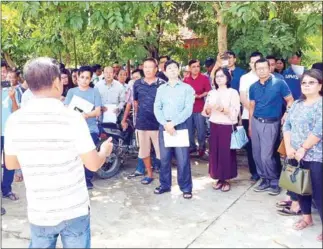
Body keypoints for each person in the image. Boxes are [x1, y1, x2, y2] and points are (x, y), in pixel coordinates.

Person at [4, 57, 113, 248]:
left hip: (40, 210)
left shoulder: (15, 120)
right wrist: (104, 151)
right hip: (74, 209)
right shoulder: (73, 118)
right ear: (56, 83)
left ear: (29, 85)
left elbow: (11, 164)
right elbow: (93, 164)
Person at [282, 69, 322, 242]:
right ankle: (307, 217)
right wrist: (290, 148)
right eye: (304, 83)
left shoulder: (321, 105)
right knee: (300, 188)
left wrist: (303, 149)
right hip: (294, 154)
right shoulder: (297, 104)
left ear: (320, 85)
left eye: (311, 82)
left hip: (315, 156)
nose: (307, 85)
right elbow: (287, 126)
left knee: (319, 193)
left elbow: (319, 131)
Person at [249, 58, 294, 196]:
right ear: (255, 70)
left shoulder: (279, 83)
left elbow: (290, 100)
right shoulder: (253, 87)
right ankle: (264, 179)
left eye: (264, 68)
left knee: (266, 156)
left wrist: (286, 113)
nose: (261, 70)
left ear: (269, 68)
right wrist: (250, 126)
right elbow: (252, 106)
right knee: (256, 154)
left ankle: (274, 181)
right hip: (256, 122)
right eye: (259, 68)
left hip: (271, 123)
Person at [154, 59, 195, 199]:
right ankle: (165, 185)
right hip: (164, 126)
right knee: (164, 158)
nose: (172, 70)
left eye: (174, 68)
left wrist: (173, 123)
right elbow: (157, 107)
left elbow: (188, 109)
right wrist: (165, 123)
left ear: (179, 70)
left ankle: (186, 187)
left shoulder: (187, 88)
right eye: (169, 68)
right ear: (164, 71)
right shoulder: (161, 89)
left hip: (181, 125)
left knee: (182, 159)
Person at [64, 66, 102, 190]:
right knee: (75, 156)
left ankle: (87, 179)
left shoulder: (94, 91)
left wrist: (86, 115)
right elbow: (66, 109)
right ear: (77, 77)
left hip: (90, 128)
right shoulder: (71, 92)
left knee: (89, 154)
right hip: (74, 129)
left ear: (91, 79)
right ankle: (76, 180)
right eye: (82, 77)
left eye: (87, 78)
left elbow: (97, 111)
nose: (84, 80)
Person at [202, 68, 240, 192]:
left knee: (226, 153)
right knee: (215, 153)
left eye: (222, 76)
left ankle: (227, 179)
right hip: (214, 125)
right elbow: (206, 112)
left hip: (227, 126)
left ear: (228, 78)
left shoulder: (233, 92)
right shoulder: (212, 93)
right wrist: (208, 109)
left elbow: (235, 112)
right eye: (217, 76)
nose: (219, 78)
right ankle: (218, 177)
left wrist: (221, 108)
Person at [133, 58, 165, 185]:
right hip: (142, 124)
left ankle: (164, 176)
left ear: (156, 69)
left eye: (150, 67)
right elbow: (135, 102)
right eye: (145, 67)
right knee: (144, 151)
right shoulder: (137, 84)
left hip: (158, 124)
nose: (147, 70)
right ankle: (149, 174)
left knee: (161, 152)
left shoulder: (162, 84)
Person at [239, 51, 262, 182]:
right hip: (249, 116)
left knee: (266, 146)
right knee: (251, 146)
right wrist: (254, 111)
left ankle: (268, 172)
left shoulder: (269, 77)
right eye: (253, 62)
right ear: (250, 64)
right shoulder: (245, 78)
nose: (255, 65)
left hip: (266, 118)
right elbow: (243, 97)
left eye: (258, 62)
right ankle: (254, 172)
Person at [184, 59, 211, 157]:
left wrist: (200, 96)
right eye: (193, 67)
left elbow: (208, 91)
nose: (196, 69)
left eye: (198, 66)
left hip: (200, 108)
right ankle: (192, 147)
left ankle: (202, 147)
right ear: (190, 68)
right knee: (189, 130)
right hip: (189, 109)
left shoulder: (204, 78)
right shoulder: (186, 79)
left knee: (201, 130)